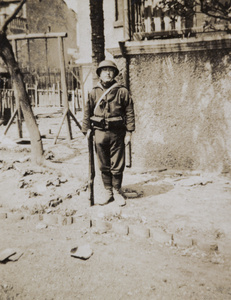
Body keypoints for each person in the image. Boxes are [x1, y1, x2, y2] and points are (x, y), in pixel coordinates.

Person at [82, 60, 135, 206]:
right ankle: (108, 192)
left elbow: (130, 112)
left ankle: (117, 191)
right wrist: (86, 130)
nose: (107, 73)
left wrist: (129, 132)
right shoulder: (93, 92)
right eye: (104, 70)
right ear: (99, 74)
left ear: (115, 74)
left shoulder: (122, 91)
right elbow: (87, 112)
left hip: (117, 133)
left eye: (110, 70)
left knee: (117, 164)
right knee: (103, 164)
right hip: (99, 133)